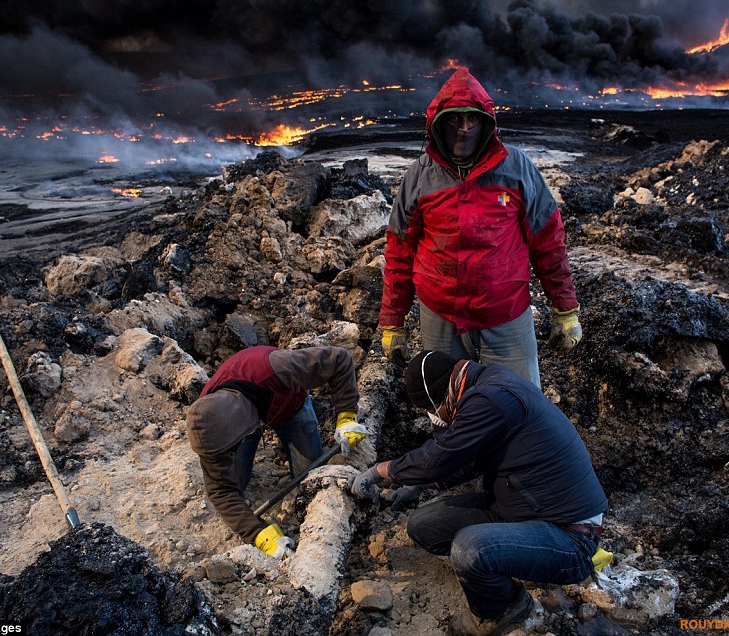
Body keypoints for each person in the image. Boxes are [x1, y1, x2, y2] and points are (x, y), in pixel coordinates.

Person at [349, 350, 607, 635]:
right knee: (424, 525)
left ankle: (505, 607)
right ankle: (506, 563)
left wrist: (382, 470)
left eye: (431, 409)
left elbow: (442, 456)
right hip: (523, 507)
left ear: (441, 395)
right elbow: (468, 461)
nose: (434, 417)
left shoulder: (491, 398)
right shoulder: (487, 384)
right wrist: (418, 484)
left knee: (471, 549)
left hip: (570, 536)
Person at [378, 66, 583, 387]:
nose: (464, 129)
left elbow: (548, 242)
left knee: (519, 402)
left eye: (472, 119)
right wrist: (393, 322)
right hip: (440, 317)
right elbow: (400, 251)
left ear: (486, 121)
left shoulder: (516, 168)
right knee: (450, 406)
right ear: (439, 123)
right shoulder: (419, 175)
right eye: (455, 120)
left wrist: (565, 309)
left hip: (505, 314)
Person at [186, 345, 366, 559]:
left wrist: (347, 415)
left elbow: (339, 358)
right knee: (235, 482)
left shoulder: (277, 369)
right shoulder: (207, 424)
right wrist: (258, 534)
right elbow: (221, 491)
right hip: (247, 422)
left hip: (289, 406)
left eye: (229, 450)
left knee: (311, 476)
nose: (225, 455)